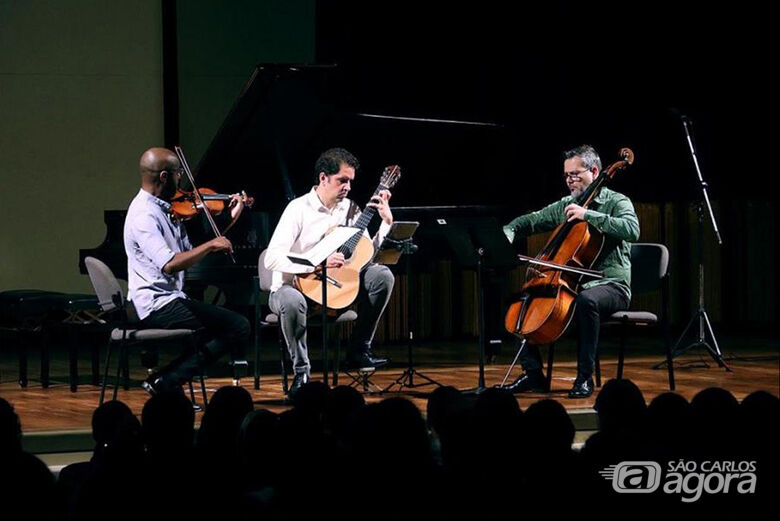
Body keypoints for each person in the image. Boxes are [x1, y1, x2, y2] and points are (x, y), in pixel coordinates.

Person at [503, 144, 639, 398]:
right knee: (520, 301)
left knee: (587, 301)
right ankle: (533, 375)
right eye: (567, 175)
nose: (570, 180)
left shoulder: (616, 201)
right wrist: (508, 233)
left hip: (611, 285)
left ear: (595, 171)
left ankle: (584, 378)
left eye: (575, 174)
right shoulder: (568, 204)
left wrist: (589, 215)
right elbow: (531, 221)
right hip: (575, 284)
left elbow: (631, 230)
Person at [264, 147, 395, 395]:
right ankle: (302, 373)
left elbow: (367, 254)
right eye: (341, 180)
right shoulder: (298, 209)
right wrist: (315, 264)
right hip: (294, 288)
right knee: (291, 300)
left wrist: (386, 222)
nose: (347, 187)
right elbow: (272, 258)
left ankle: (359, 350)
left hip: (336, 289)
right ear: (324, 178)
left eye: (350, 182)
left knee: (382, 276)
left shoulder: (351, 209)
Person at [124, 147, 251, 395]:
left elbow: (190, 251)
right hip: (154, 304)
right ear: (163, 177)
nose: (181, 179)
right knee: (238, 326)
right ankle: (167, 383)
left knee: (223, 326)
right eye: (178, 173)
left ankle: (165, 382)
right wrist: (212, 244)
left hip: (171, 298)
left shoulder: (165, 210)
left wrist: (229, 218)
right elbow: (170, 263)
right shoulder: (144, 215)